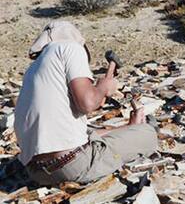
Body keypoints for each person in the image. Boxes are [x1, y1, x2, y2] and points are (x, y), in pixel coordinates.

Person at [14, 21, 158, 185]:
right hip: (72, 165)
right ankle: (139, 130)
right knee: (148, 133)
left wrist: (128, 128)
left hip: (37, 173)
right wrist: (103, 88)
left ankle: (130, 128)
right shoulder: (69, 48)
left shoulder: (33, 69)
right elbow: (88, 103)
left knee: (89, 131)